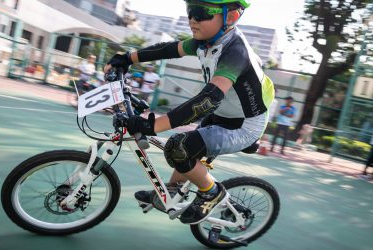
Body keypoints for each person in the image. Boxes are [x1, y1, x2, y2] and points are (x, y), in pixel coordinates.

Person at [104, 0, 274, 225]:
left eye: (201, 12)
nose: (193, 19)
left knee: (178, 148)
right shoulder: (205, 41)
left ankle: (212, 192)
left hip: (245, 124)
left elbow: (208, 99)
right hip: (224, 113)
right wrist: (127, 58)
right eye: (190, 11)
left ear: (230, 17)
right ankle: (173, 192)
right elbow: (168, 49)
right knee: (187, 150)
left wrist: (152, 125)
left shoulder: (235, 51)